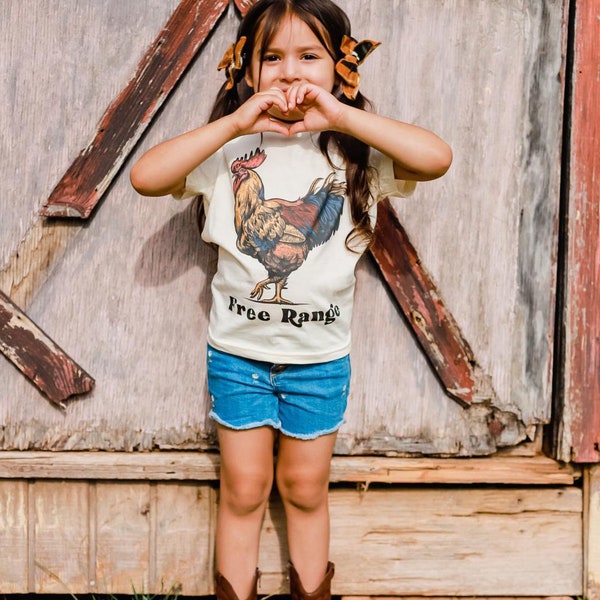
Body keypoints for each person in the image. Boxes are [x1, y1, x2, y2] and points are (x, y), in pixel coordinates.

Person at [130, 0, 452, 599]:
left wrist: (344, 118)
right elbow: (145, 177)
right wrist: (232, 122)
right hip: (239, 355)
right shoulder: (226, 153)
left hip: (320, 360)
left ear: (341, 69)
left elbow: (436, 158)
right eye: (271, 57)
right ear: (246, 70)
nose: (290, 71)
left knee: (305, 489)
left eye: (310, 56)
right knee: (245, 488)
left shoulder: (353, 151)